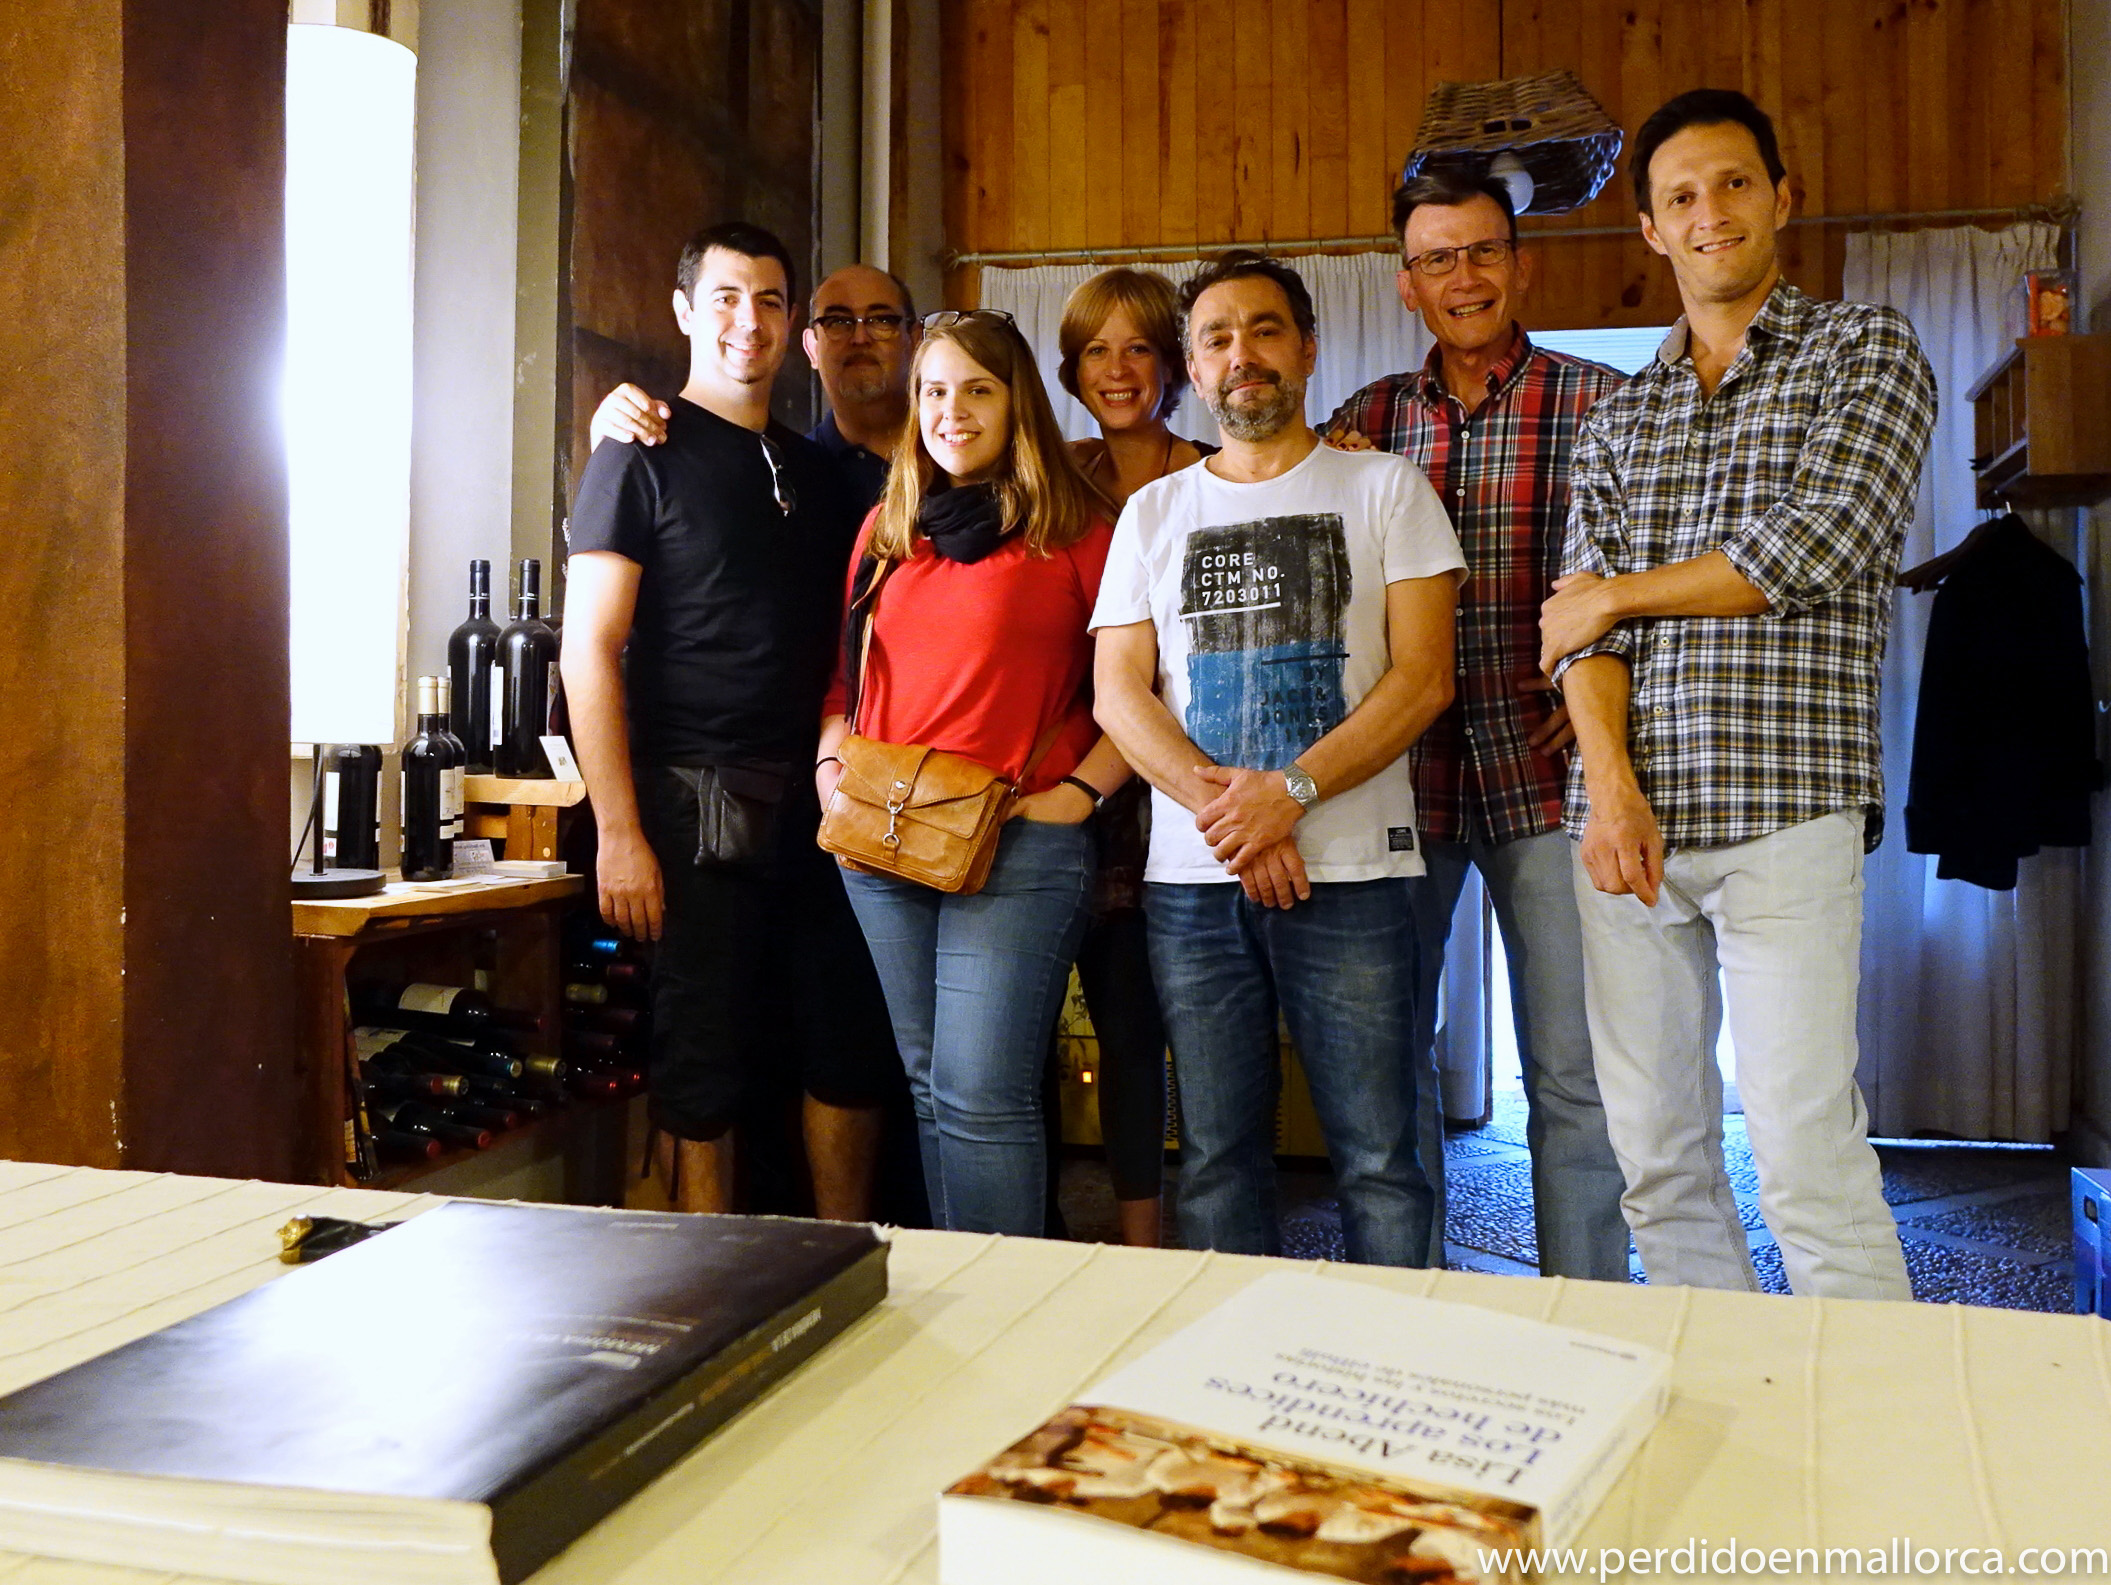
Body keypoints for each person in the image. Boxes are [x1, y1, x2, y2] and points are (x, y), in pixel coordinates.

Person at [1539, 90, 1935, 1299]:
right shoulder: (1617, 416)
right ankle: (1722, 1384)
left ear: (1779, 197)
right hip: (1625, 826)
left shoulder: (1862, 350)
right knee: (1656, 1160)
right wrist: (1608, 787)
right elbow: (1572, 633)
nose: (1708, 212)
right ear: (1649, 230)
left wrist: (1617, 596)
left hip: (1786, 807)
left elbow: (1821, 538)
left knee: (1802, 1153)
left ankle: (1870, 1402)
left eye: (1731, 183)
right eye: (1679, 196)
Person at [1092, 251, 1466, 1266]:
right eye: (1215, 337)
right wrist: (1239, 816)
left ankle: (1403, 1354)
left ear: (1306, 348)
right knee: (1216, 1158)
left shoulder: (1384, 487)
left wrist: (1290, 794)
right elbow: (1118, 694)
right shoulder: (1152, 513)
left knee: (1379, 1157)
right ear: (1191, 366)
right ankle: (1238, 1355)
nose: (1241, 354)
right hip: (1193, 884)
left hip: (1355, 875)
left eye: (1264, 330)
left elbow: (1423, 678)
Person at [1326, 173, 1630, 1281]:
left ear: (1521, 264)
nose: (1464, 276)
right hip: (1396, 785)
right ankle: (1410, 1305)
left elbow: (1647, 575)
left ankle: (1589, 1313)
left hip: (1545, 782)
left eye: (1483, 251)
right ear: (1406, 284)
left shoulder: (1604, 402)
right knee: (1387, 1064)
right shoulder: (1361, 423)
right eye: (1437, 259)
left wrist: (1606, 697)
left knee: (1573, 1071)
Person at [561, 222, 898, 1218]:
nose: (746, 320)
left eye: (767, 300)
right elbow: (588, 649)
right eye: (723, 297)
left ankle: (846, 1256)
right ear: (682, 310)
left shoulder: (817, 470)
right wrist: (618, 831)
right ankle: (706, 1281)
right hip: (692, 803)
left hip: (825, 803)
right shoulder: (636, 451)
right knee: (701, 1065)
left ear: (791, 324)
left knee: (844, 1049)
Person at [816, 309, 1129, 1237]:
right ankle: (963, 1290)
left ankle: (1007, 1305)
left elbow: (1143, 691)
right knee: (929, 1085)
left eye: (978, 390)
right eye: (934, 391)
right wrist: (831, 763)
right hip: (880, 837)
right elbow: (843, 678)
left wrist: (1081, 793)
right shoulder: (887, 527)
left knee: (982, 1092)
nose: (952, 411)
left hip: (1019, 842)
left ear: (1017, 401)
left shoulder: (1078, 531)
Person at [1048, 267, 1210, 1247]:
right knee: (1073, 1022)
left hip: (1186, 777)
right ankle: (1087, 1234)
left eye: (1138, 347)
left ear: (1171, 366)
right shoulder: (1050, 479)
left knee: (1162, 1025)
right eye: (1095, 350)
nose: (1116, 369)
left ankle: (1164, 1236)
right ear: (1071, 370)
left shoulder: (1217, 472)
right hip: (1067, 777)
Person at [590, 263, 921, 511]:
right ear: (811, 348)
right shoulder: (791, 479)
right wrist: (612, 446)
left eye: (882, 321)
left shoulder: (947, 452)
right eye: (838, 322)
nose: (860, 337)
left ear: (916, 340)